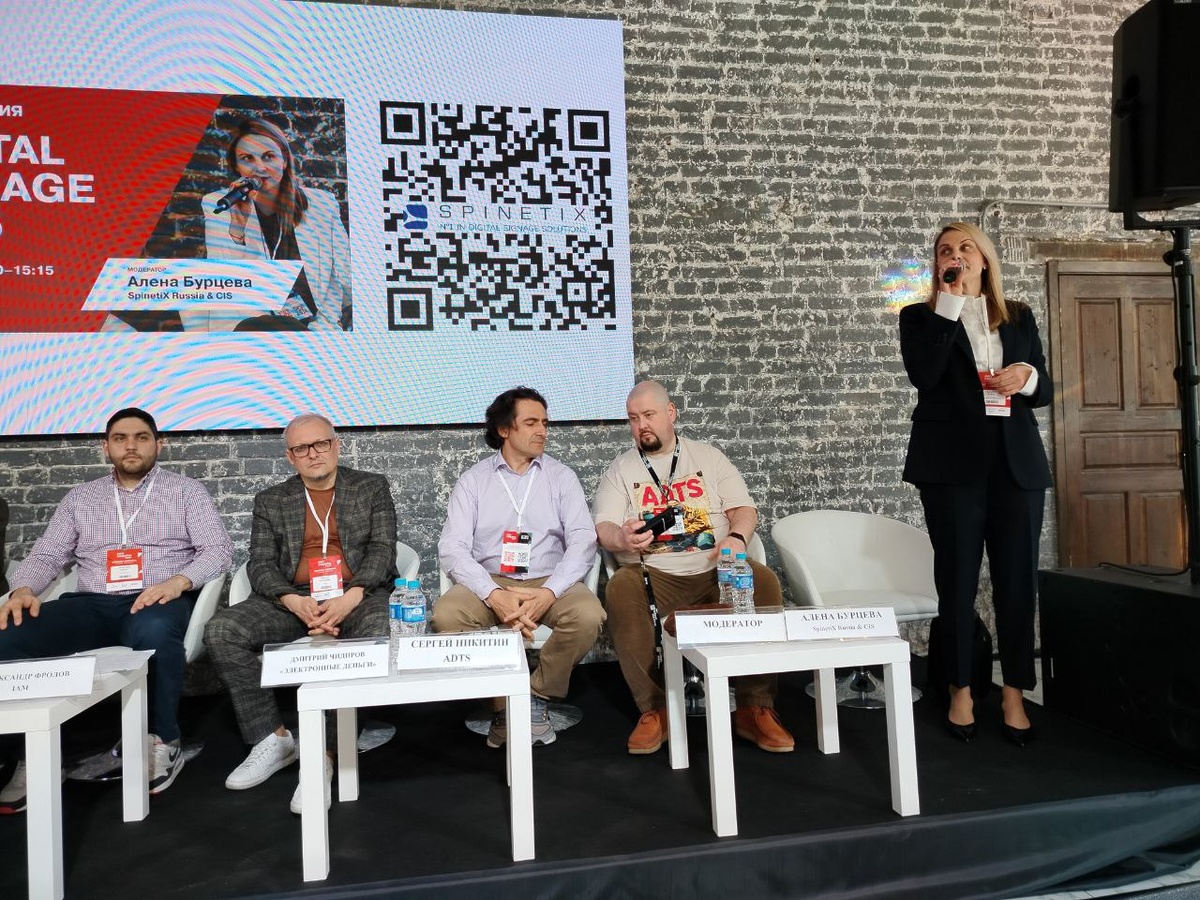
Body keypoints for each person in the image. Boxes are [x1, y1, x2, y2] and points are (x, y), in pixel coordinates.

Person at [0, 408, 232, 809]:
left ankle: (163, 738)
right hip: (92, 603)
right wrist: (22, 589)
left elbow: (218, 550)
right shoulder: (81, 498)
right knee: (9, 635)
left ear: (159, 445)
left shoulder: (186, 492)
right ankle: (32, 753)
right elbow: (48, 555)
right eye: (120, 438)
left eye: (141, 437)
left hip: (155, 598)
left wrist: (178, 582)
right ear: (105, 447)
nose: (131, 446)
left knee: (155, 631)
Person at [899, 221, 1053, 747]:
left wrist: (1026, 377)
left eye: (966, 248)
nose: (956, 255)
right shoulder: (920, 317)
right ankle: (960, 686)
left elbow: (1044, 389)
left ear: (985, 259)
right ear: (937, 264)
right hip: (950, 465)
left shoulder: (1018, 315)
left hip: (1016, 464)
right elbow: (925, 375)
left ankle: (1015, 691)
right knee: (958, 577)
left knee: (1017, 580)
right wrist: (949, 303)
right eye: (945, 250)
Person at [204, 414, 397, 812]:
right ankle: (273, 740)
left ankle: (326, 754)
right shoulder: (271, 500)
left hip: (356, 595)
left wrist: (351, 597)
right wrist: (292, 600)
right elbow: (260, 564)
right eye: (301, 448)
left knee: (378, 628)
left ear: (336, 446)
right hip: (295, 601)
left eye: (321, 443)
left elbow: (382, 550)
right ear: (290, 457)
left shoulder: (371, 486)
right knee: (222, 630)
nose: (313, 453)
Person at [594, 380, 795, 755]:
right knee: (620, 587)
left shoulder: (708, 457)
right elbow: (603, 526)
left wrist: (737, 538)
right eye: (633, 418)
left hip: (715, 569)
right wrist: (621, 537)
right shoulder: (620, 469)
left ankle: (754, 707)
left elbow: (744, 508)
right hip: (653, 574)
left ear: (671, 413)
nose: (642, 426)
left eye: (649, 415)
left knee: (764, 580)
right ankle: (654, 710)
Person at [435, 387, 604, 747]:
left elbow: (583, 539)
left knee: (588, 615)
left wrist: (548, 593)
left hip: (550, 577)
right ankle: (501, 706)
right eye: (531, 423)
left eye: (544, 422)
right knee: (447, 617)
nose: (542, 430)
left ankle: (536, 696)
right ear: (504, 429)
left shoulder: (561, 476)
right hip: (490, 579)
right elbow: (452, 547)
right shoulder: (474, 481)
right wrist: (493, 594)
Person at [200, 117, 351, 332]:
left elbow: (343, 274)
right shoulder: (220, 204)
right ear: (236, 166)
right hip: (252, 324)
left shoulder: (321, 204)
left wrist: (332, 324)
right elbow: (226, 280)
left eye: (268, 156)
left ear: (284, 161)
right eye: (247, 158)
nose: (259, 167)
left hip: (316, 326)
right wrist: (238, 228)